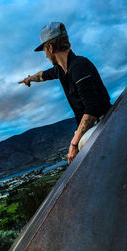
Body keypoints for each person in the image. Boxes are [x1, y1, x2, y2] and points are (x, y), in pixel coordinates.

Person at [18, 22, 112, 164]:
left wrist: (74, 144)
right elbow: (42, 75)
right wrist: (29, 79)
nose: (45, 56)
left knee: (79, 152)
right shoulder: (61, 70)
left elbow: (92, 109)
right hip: (92, 126)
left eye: (44, 50)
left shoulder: (79, 66)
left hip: (103, 123)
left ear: (50, 48)